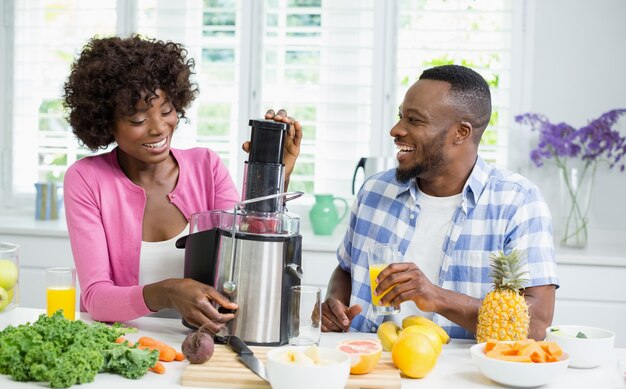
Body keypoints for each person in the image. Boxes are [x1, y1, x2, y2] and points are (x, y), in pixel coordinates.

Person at [62, 35, 302, 333]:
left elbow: (248, 249)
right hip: (122, 347)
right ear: (105, 122)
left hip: (205, 344)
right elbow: (96, 297)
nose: (159, 128)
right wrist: (168, 292)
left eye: (166, 111)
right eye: (138, 120)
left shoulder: (206, 166)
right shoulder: (87, 179)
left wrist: (273, 177)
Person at [321, 65, 558, 340]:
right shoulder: (374, 191)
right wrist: (333, 305)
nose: (396, 130)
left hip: (464, 375)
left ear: (461, 132)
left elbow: (537, 322)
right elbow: (346, 270)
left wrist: (437, 297)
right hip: (370, 368)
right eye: (401, 116)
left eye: (415, 120)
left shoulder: (516, 202)